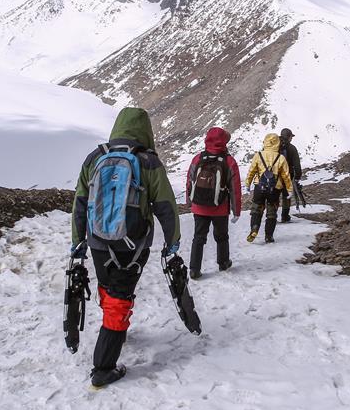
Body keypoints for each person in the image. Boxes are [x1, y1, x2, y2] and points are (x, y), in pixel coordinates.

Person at [71, 107, 181, 389]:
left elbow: (80, 205)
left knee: (109, 288)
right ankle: (103, 367)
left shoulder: (94, 158)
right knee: (120, 297)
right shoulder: (149, 162)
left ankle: (115, 326)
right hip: (133, 245)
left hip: (97, 243)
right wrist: (173, 241)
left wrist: (77, 242)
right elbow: (166, 207)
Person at [185, 127, 242, 279]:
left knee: (198, 237)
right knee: (222, 236)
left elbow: (190, 181)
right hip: (220, 208)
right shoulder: (229, 161)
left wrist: (189, 202)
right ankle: (223, 262)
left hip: (199, 207)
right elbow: (235, 189)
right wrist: (236, 211)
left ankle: (194, 269)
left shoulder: (198, 158)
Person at [244, 133, 293, 244]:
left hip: (259, 187)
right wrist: (289, 190)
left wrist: (248, 184)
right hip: (275, 189)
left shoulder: (258, 155)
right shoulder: (281, 158)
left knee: (256, 209)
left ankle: (254, 229)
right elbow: (286, 175)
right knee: (272, 213)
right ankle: (268, 236)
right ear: (277, 143)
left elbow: (252, 171)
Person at [278, 128, 303, 223]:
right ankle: (285, 216)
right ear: (288, 137)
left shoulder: (273, 146)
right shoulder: (292, 148)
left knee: (274, 196)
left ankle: (271, 215)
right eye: (291, 137)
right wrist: (297, 177)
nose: (291, 139)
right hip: (287, 175)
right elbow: (297, 165)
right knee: (286, 196)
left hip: (274, 176)